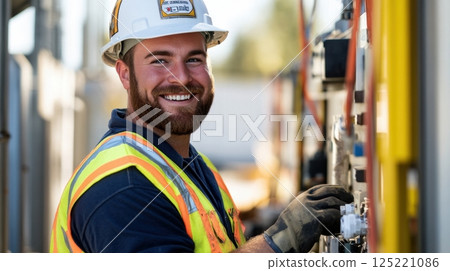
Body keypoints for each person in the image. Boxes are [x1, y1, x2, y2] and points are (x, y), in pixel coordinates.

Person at [50, 0, 353, 253]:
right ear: (125, 74)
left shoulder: (191, 166)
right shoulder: (121, 186)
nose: (181, 77)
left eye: (194, 59)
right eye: (159, 60)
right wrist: (281, 239)